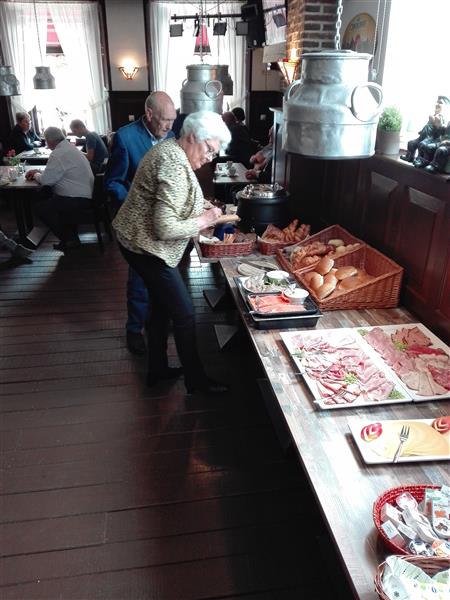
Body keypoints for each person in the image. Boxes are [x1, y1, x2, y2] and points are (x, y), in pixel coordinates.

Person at [112, 110, 231, 394]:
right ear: (192, 137)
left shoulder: (172, 150)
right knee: (185, 313)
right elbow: (165, 227)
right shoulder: (173, 162)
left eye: (214, 153)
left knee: (161, 307)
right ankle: (196, 382)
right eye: (209, 149)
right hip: (146, 248)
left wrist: (206, 208)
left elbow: (182, 195)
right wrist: (204, 220)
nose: (210, 158)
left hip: (137, 241)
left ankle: (158, 370)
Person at [104, 91, 177, 356]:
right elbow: (112, 182)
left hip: (165, 221)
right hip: (137, 223)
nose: (169, 127)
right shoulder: (125, 138)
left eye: (172, 121)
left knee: (164, 274)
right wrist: (135, 204)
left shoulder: (170, 135)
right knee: (139, 279)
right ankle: (134, 329)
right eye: (165, 120)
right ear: (149, 114)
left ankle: (156, 321)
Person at [25, 126, 94, 252]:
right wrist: (39, 172)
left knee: (41, 208)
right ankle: (70, 237)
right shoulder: (70, 148)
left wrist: (35, 175)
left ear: (49, 141)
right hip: (86, 194)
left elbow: (46, 181)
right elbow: (57, 172)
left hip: (76, 198)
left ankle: (69, 239)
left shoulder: (58, 153)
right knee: (49, 199)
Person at [400, 96, 449, 164]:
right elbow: (428, 126)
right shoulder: (434, 115)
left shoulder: (443, 118)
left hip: (432, 138)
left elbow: (442, 133)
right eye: (437, 102)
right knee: (411, 143)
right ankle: (409, 156)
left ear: (446, 107)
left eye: (440, 103)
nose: (437, 104)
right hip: (423, 136)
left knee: (422, 144)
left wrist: (438, 124)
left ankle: (420, 160)